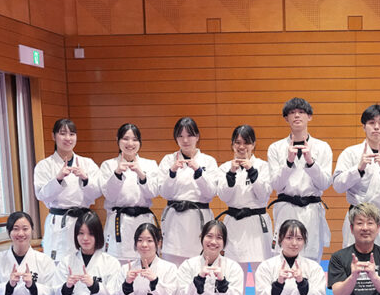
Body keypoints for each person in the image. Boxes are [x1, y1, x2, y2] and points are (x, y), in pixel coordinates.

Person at [267, 97, 333, 261]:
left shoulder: (322, 147)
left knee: (311, 258)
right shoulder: (275, 148)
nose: (297, 115)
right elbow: (276, 184)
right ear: (286, 118)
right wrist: (288, 162)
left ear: (309, 116)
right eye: (292, 112)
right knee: (283, 257)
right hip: (286, 207)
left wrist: (310, 162)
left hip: (311, 209)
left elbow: (325, 183)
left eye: (301, 112)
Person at [333, 104, 380, 250]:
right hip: (357, 221)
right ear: (364, 127)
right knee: (353, 261)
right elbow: (338, 186)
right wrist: (358, 169)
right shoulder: (350, 153)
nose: (376, 127)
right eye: (372, 123)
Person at [33, 118, 101, 262]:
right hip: (59, 221)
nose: (68, 138)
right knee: (58, 263)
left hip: (83, 221)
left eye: (72, 134)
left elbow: (98, 192)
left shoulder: (87, 163)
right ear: (53, 136)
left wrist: (85, 178)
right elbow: (41, 195)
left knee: (85, 262)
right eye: (63, 133)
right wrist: (58, 179)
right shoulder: (44, 165)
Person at [100, 123, 161, 265]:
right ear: (118, 140)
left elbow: (153, 192)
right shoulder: (108, 165)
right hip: (119, 221)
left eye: (134, 139)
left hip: (143, 221)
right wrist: (117, 173)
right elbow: (109, 195)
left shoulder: (150, 164)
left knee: (145, 262)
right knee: (117, 264)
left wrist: (141, 174)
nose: (130, 143)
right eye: (125, 139)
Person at [215, 124, 273, 274]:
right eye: (237, 142)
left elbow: (263, 194)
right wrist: (231, 174)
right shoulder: (224, 168)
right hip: (234, 224)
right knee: (234, 275)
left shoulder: (263, 166)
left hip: (257, 224)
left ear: (253, 144)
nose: (242, 147)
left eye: (246, 142)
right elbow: (224, 196)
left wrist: (251, 170)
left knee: (262, 274)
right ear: (232, 145)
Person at [159, 117, 218, 264]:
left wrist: (199, 172)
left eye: (189, 135)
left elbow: (211, 193)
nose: (185, 140)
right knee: (172, 266)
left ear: (197, 136)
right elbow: (164, 193)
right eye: (180, 136)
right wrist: (172, 173)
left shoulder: (208, 161)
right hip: (174, 220)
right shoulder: (168, 160)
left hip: (198, 219)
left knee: (199, 266)